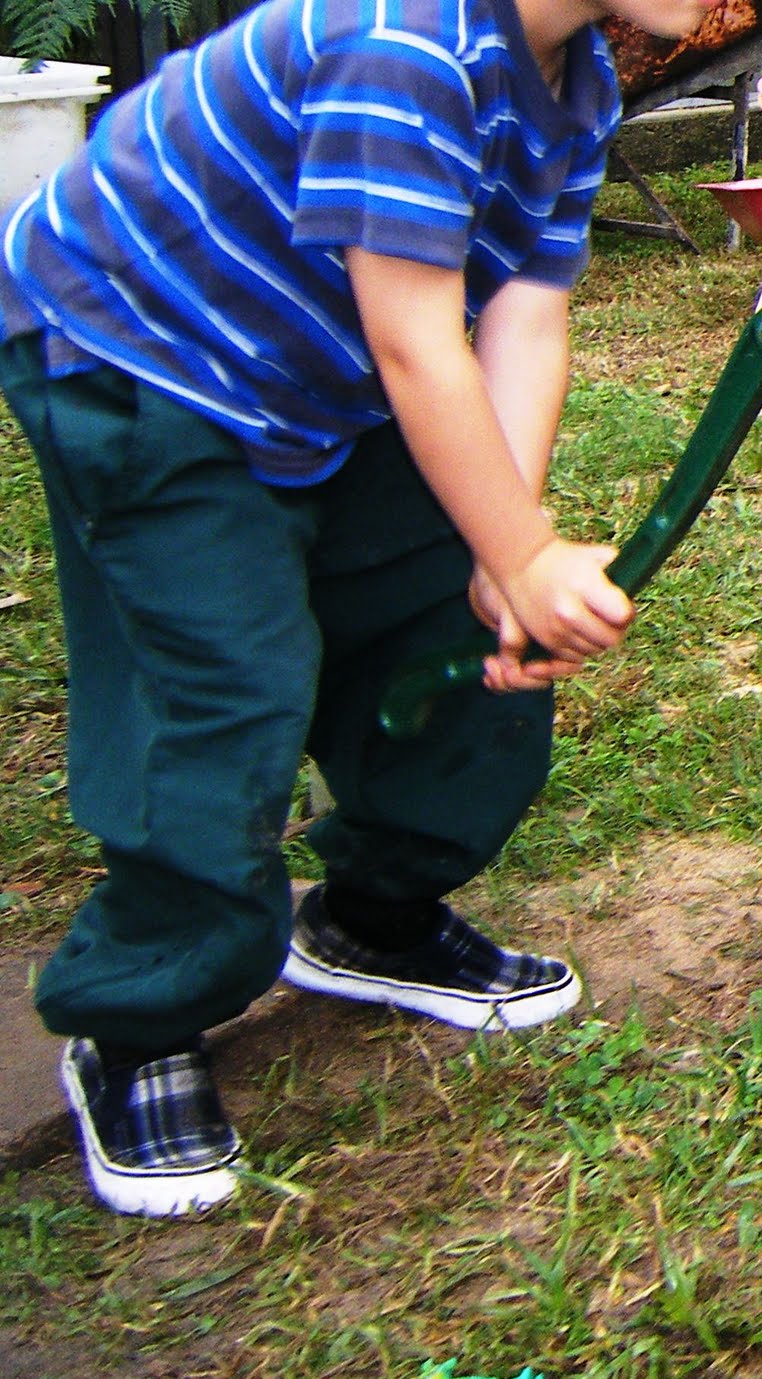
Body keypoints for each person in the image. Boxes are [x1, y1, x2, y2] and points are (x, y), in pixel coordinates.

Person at [0, 0, 718, 1218]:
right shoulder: (406, 44)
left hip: (320, 356)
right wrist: (523, 546)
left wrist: (509, 549)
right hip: (139, 351)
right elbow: (415, 347)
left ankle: (372, 919)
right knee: (223, 687)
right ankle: (136, 1017)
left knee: (448, 614)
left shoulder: (577, 77)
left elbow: (523, 310)